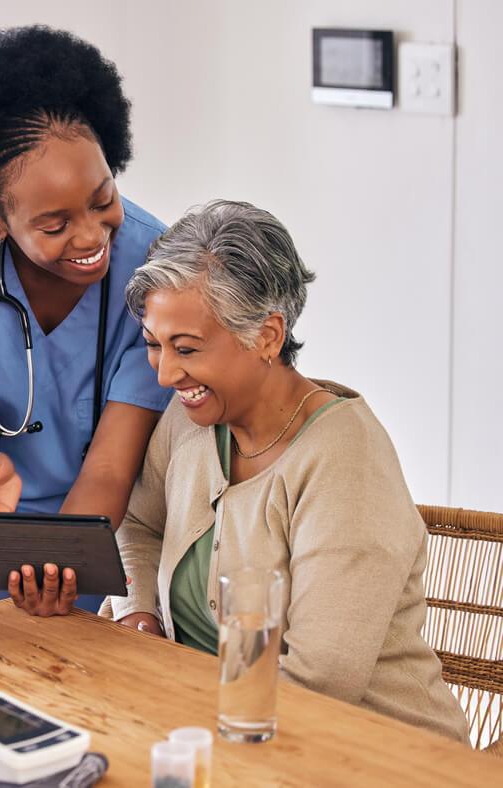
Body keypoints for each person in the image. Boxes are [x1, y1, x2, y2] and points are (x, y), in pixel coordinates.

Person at [106, 199, 469, 741]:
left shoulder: (345, 461)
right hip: (224, 733)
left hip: (370, 755)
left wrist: (170, 700)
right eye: (154, 346)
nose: (165, 374)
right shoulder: (191, 421)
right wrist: (140, 612)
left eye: (186, 348)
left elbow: (317, 684)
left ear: (268, 336)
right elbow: (140, 524)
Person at [0, 26, 172, 617]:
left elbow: (109, 467)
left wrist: (59, 564)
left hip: (96, 535)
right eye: (55, 225)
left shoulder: (155, 267)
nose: (93, 237)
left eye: (104, 200)